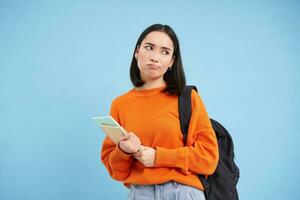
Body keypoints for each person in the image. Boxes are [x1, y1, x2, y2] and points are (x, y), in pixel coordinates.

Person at [101, 24, 219, 200]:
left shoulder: (188, 98)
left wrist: (159, 157)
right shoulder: (120, 104)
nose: (155, 57)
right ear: (137, 52)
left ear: (171, 61)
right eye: (149, 48)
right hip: (140, 193)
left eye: (165, 52)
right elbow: (117, 172)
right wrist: (123, 150)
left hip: (183, 192)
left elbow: (208, 158)